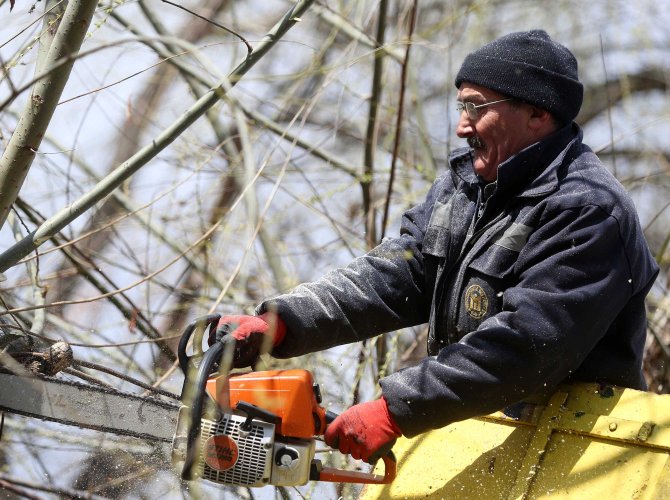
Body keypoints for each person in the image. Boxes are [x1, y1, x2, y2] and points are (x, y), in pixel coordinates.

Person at [212, 30, 659, 465]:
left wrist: (396, 408)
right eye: (460, 105)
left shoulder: (588, 209)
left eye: (476, 107)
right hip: (480, 431)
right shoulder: (464, 187)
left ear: (538, 114)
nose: (462, 125)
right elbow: (397, 274)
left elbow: (528, 346)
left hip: (583, 450)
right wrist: (283, 321)